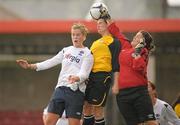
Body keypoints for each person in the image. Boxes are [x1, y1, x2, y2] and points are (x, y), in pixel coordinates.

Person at [16, 23, 94, 125]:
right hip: (60, 89)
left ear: (84, 36)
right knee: (49, 122)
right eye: (73, 34)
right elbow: (50, 62)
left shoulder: (87, 54)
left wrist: (76, 78)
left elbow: (84, 74)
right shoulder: (66, 50)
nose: (75, 37)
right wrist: (30, 66)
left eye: (78, 35)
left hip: (76, 92)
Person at [100, 13, 157, 125]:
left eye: (139, 37)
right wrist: (107, 17)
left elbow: (138, 66)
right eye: (136, 35)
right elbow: (116, 32)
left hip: (139, 92)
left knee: (150, 122)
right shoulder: (126, 46)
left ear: (143, 43)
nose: (135, 37)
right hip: (123, 94)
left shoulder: (143, 51)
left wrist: (137, 52)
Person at [82, 18, 121, 125]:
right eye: (97, 23)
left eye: (100, 23)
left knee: (98, 110)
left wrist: (116, 84)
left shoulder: (115, 42)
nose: (98, 25)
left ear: (107, 25)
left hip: (102, 77)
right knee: (86, 107)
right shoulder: (95, 42)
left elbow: (116, 65)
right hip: (90, 76)